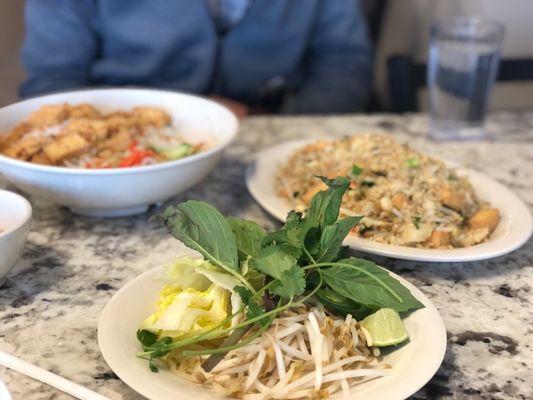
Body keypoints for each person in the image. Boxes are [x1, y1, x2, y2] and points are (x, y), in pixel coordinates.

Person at [20, 0, 373, 116]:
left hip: (266, 132)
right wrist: (181, 118)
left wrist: (283, 121)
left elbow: (345, 58)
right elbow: (51, 82)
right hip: (125, 144)